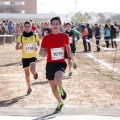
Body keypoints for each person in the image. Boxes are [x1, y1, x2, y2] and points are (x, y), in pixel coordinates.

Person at [39, 17, 72, 111]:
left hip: (60, 63)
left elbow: (67, 47)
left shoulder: (65, 36)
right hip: (50, 64)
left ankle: (61, 89)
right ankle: (60, 102)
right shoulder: (46, 37)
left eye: (57, 24)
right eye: (53, 24)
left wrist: (69, 58)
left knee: (58, 80)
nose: (55, 26)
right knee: (53, 87)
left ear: (60, 25)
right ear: (51, 25)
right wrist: (43, 53)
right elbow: (41, 51)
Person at [15, 21, 40, 95]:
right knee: (27, 74)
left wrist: (37, 47)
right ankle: (29, 87)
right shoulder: (21, 36)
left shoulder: (35, 36)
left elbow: (38, 43)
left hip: (32, 56)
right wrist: (20, 47)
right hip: (25, 57)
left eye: (29, 26)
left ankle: (35, 73)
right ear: (24, 27)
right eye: (26, 26)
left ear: (31, 27)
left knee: (32, 70)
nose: (27, 28)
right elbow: (16, 47)